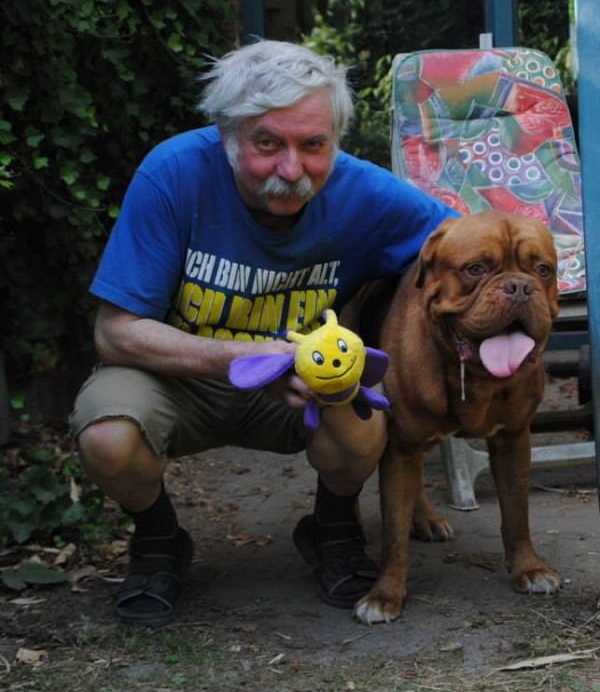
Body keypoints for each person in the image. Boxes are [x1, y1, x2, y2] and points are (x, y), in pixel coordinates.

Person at [69, 39, 455, 627]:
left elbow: (464, 246)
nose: (292, 170)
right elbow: (115, 333)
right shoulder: (173, 172)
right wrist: (242, 357)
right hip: (175, 377)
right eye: (268, 144)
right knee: (108, 438)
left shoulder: (365, 194)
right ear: (228, 136)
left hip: (304, 382)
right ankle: (158, 540)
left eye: (314, 145)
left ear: (336, 140)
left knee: (365, 424)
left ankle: (332, 528)